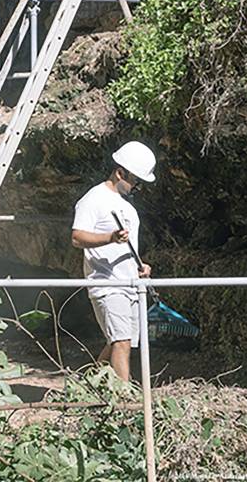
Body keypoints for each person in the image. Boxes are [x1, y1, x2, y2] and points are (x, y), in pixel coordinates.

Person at [71, 141, 157, 381]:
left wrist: (140, 265)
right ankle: (124, 400)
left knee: (119, 340)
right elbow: (77, 237)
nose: (138, 186)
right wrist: (109, 238)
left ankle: (88, 384)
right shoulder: (93, 199)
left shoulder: (127, 207)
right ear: (120, 173)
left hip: (129, 283)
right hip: (107, 284)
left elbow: (126, 247)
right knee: (122, 342)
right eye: (136, 181)